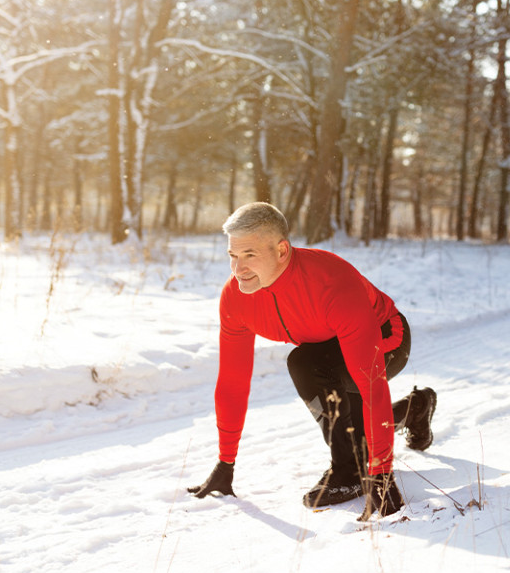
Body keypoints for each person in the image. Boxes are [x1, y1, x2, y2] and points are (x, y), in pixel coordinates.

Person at [187, 202, 436, 520]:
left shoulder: (330, 280)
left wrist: (382, 476)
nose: (238, 269)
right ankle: (415, 407)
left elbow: (370, 385)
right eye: (233, 256)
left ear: (281, 250)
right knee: (314, 370)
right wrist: (225, 462)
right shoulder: (236, 297)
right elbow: (232, 381)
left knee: (306, 365)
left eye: (250, 255)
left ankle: (349, 472)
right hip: (326, 349)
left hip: (385, 338)